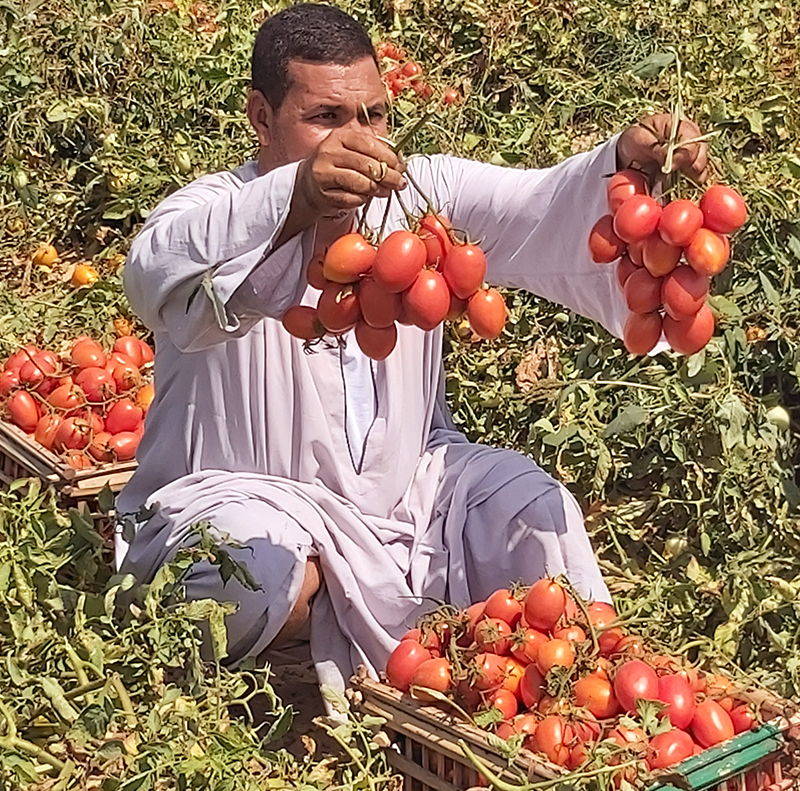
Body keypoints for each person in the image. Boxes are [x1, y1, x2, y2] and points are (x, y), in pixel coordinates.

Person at [116, 3, 708, 693]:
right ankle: (351, 610)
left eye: (373, 116)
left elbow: (544, 205)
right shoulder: (214, 209)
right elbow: (153, 273)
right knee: (249, 568)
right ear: (260, 116)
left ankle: (588, 689)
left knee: (532, 503)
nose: (358, 140)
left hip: (405, 501)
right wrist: (298, 200)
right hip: (239, 500)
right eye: (327, 118)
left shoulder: (422, 202)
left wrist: (623, 164)